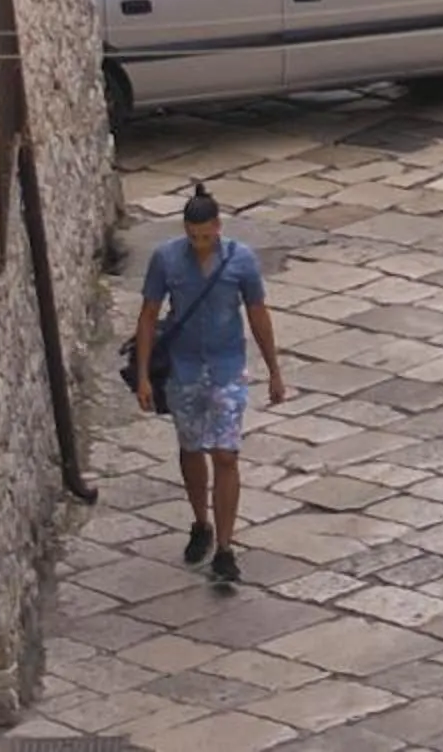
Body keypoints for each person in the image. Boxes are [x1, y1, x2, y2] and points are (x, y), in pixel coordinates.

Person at [133, 186, 286, 587]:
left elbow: (258, 314)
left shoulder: (241, 261)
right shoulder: (166, 259)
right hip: (183, 370)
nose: (199, 243)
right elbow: (149, 316)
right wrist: (145, 374)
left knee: (226, 454)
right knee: (190, 448)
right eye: (193, 236)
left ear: (218, 227)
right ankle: (200, 520)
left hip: (227, 368)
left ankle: (225, 547)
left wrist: (274, 370)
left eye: (206, 235)